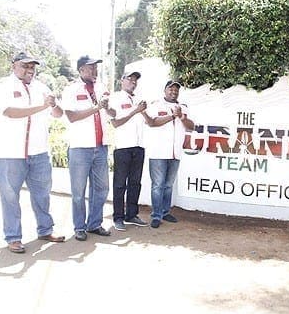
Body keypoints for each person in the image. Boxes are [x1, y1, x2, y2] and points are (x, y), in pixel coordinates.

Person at [0, 52, 65, 253]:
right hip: (9, 153)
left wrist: (54, 104)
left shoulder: (41, 87)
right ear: (14, 65)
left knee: (42, 194)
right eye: (25, 66)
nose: (29, 70)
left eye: (32, 67)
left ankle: (45, 230)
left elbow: (58, 114)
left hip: (39, 152)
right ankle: (13, 237)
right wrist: (42, 106)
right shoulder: (2, 86)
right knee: (10, 197)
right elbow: (10, 112)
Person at [61, 55, 116, 241]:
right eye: (91, 67)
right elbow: (71, 116)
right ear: (81, 69)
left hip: (100, 146)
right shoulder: (71, 90)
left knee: (101, 188)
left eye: (96, 67)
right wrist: (97, 107)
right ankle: (79, 227)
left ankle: (94, 224)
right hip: (80, 147)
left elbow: (113, 113)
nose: (95, 70)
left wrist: (107, 108)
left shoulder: (101, 88)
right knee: (79, 191)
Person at [142, 80, 195, 228]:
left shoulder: (183, 107)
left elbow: (191, 127)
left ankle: (165, 212)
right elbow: (152, 122)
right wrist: (172, 116)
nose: (173, 92)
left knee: (168, 185)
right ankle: (156, 215)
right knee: (157, 185)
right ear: (164, 90)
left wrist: (182, 117)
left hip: (175, 153)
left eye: (176, 90)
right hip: (158, 152)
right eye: (170, 89)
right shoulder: (156, 105)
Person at [108, 71, 148, 231]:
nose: (133, 82)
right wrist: (135, 111)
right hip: (123, 147)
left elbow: (148, 120)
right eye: (129, 79)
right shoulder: (115, 98)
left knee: (135, 183)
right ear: (121, 81)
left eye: (135, 79)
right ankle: (118, 217)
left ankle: (132, 214)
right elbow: (116, 123)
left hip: (139, 146)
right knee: (119, 184)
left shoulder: (139, 100)